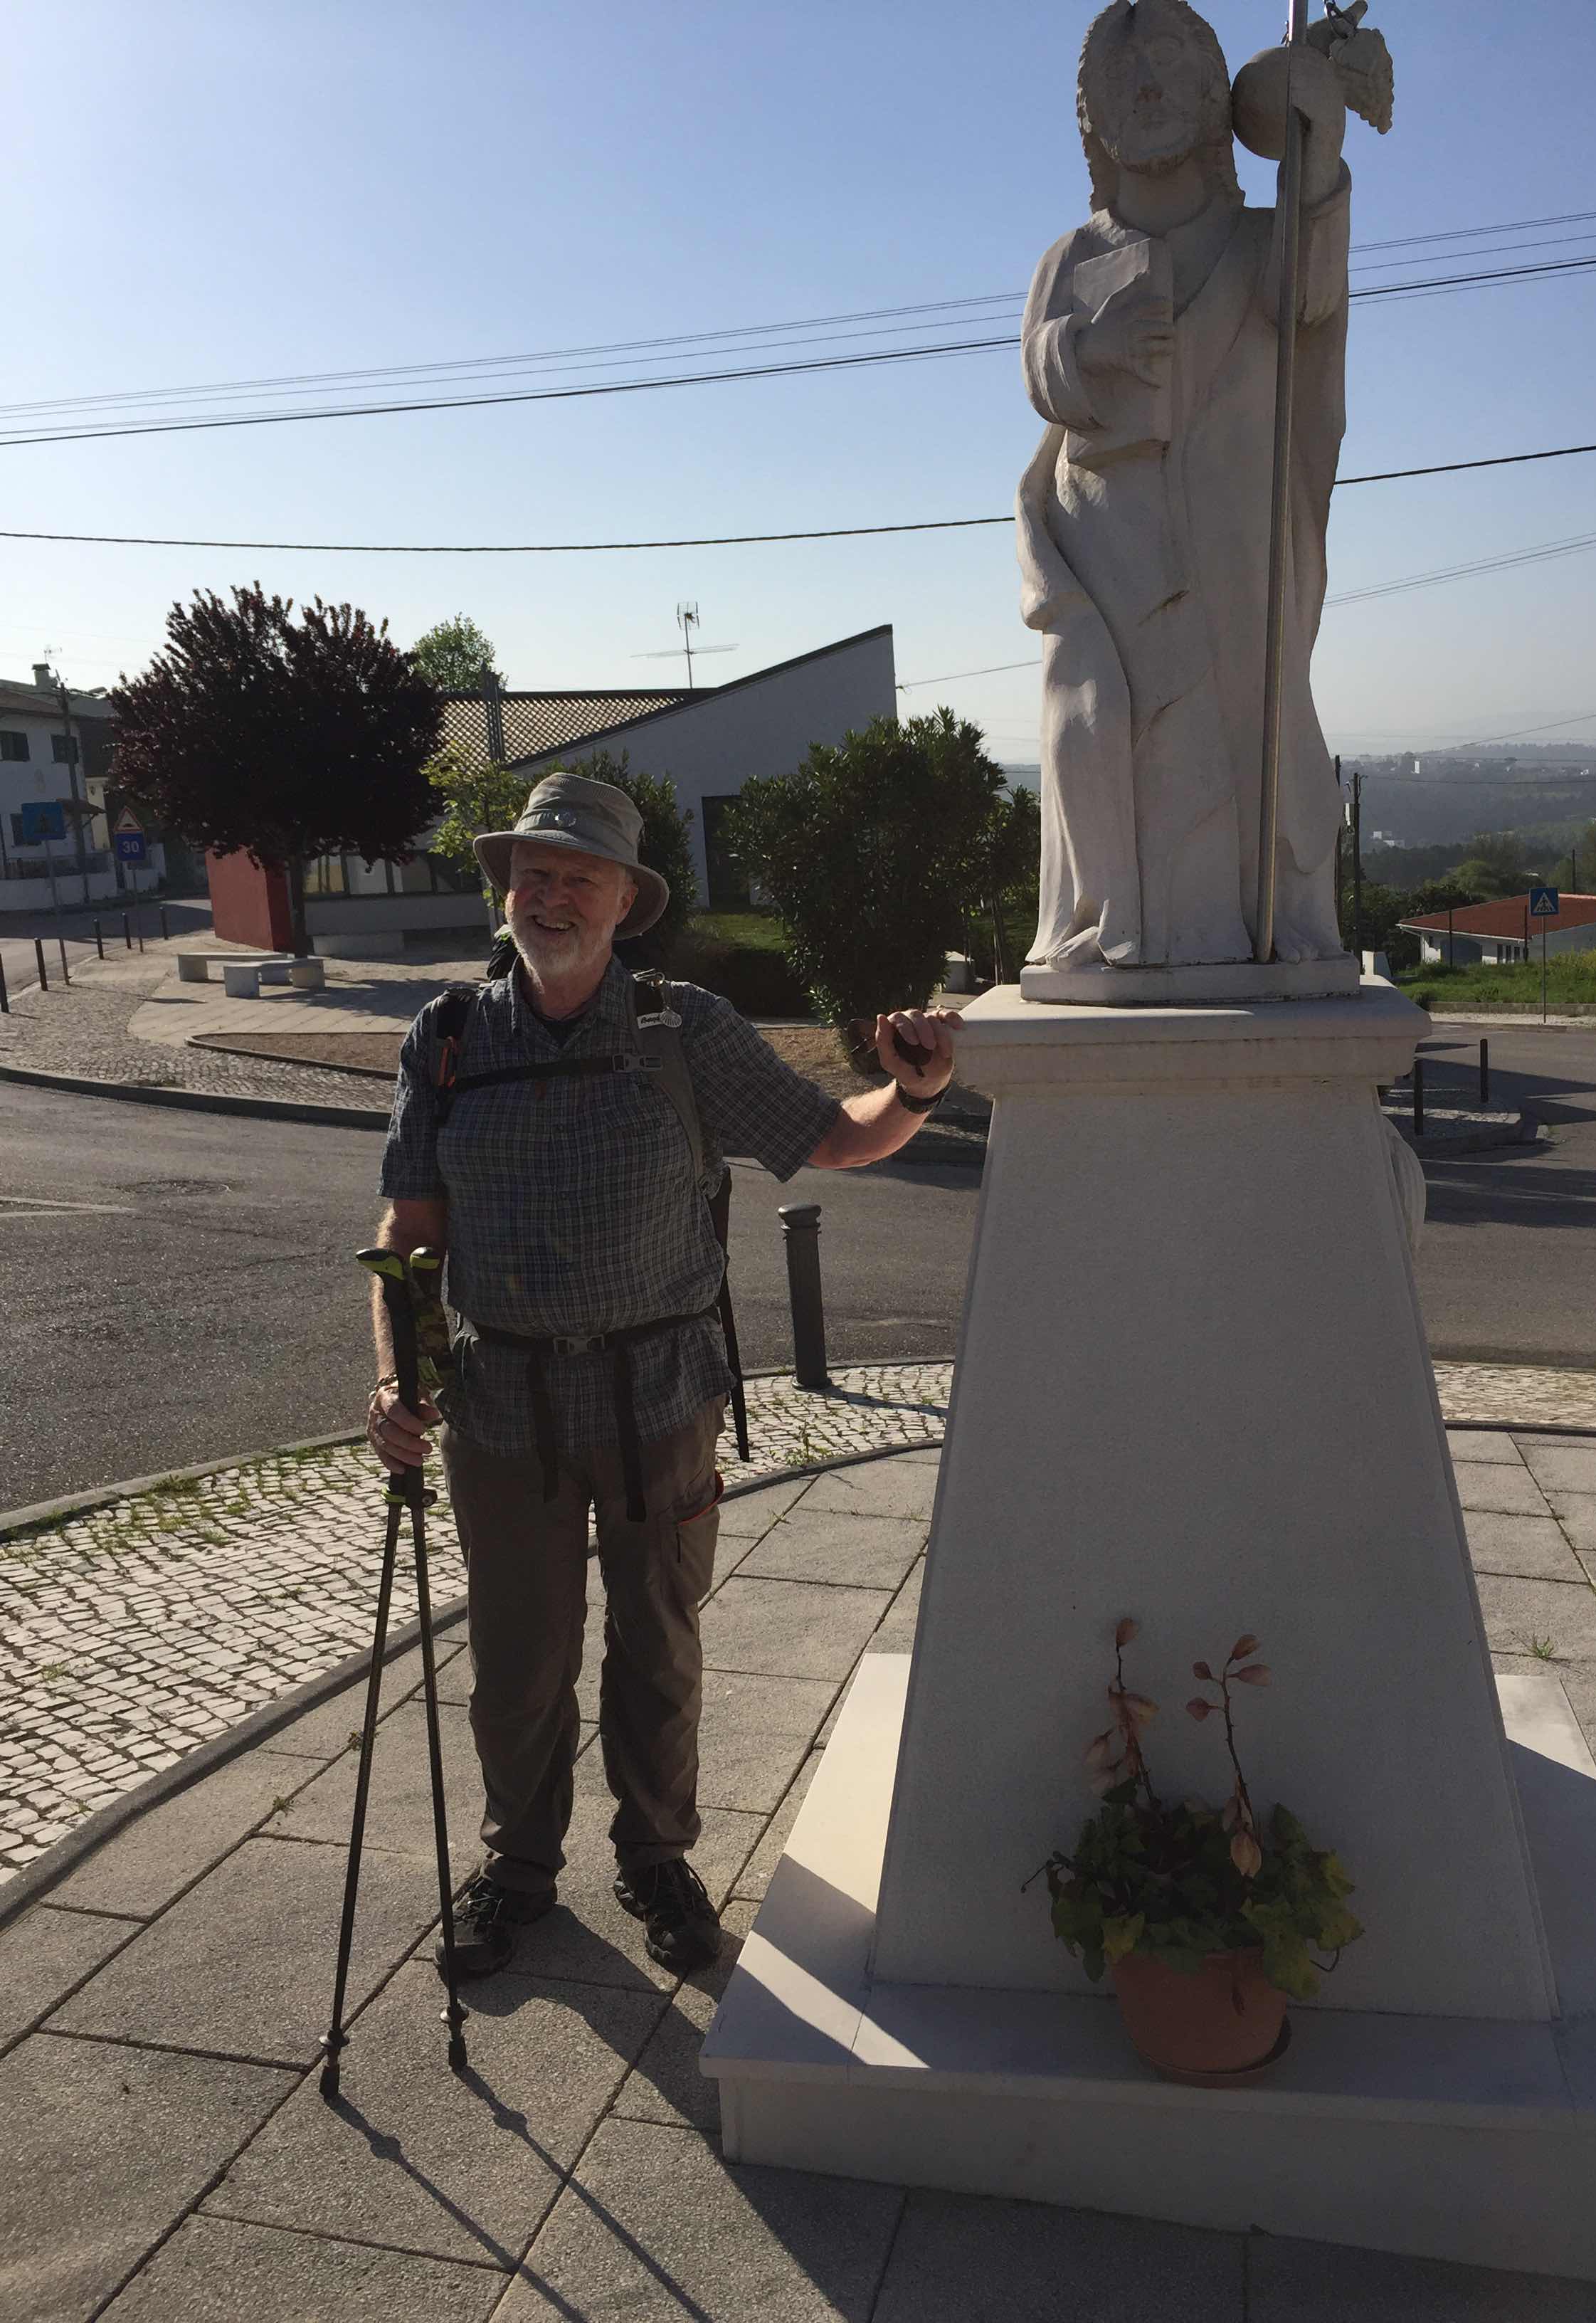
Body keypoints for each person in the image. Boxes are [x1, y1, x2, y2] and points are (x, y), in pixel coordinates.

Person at [367, 769, 960, 1978]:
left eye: (578, 878)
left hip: (659, 1397)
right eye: (533, 874)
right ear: (507, 893)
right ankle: (519, 1867)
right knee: (518, 1663)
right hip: (502, 1406)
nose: (550, 896)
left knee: (658, 1648)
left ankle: (655, 1857)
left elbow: (834, 1138)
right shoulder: (449, 1038)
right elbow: (409, 1230)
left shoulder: (683, 1029)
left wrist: (916, 1089)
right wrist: (396, 1383)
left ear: (624, 902)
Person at [1019, 0, 1368, 974]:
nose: (1148, 87)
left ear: (1217, 96)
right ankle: (1108, 918)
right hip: (1106, 540)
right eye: (1123, 74)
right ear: (1092, 116)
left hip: (1232, 528)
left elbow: (1309, 297)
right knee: (1098, 726)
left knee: (1249, 711)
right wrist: (1089, 345)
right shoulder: (1073, 256)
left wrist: (1316, 145)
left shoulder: (1262, 239)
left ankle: (1258, 918)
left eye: (1173, 64)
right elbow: (1041, 371)